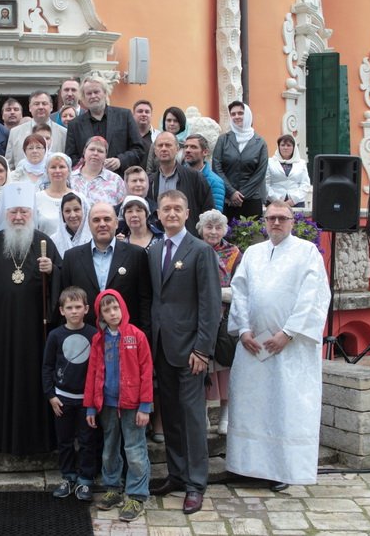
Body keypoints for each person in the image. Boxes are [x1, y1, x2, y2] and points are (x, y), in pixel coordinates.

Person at [226, 199, 330, 492]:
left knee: (286, 407)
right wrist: (243, 330)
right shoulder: (253, 253)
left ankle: (284, 468)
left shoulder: (306, 252)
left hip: (290, 349)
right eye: (271, 217)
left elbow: (313, 295)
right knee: (251, 406)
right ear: (264, 221)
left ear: (292, 222)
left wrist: (289, 332)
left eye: (282, 218)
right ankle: (247, 466)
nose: (276, 222)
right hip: (253, 346)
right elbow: (239, 291)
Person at [0, 181, 62, 455]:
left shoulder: (45, 244)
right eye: (13, 212)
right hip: (0, 333)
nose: (19, 217)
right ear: (5, 214)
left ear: (32, 213)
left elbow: (63, 285)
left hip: (36, 334)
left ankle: (36, 440)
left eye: (24, 211)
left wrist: (53, 271)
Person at [148, 189, 221, 515]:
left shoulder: (200, 250)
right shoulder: (154, 250)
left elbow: (210, 304)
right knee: (172, 417)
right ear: (159, 214)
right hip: (162, 348)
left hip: (191, 351)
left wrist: (203, 349)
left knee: (192, 419)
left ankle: (196, 483)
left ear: (187, 213)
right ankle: (176, 474)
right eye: (166, 209)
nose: (172, 214)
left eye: (178, 208)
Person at [85, 289, 153, 523]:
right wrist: (90, 406)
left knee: (135, 451)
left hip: (133, 405)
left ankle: (137, 495)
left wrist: (145, 405)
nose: (112, 313)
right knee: (109, 450)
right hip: (107, 404)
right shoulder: (98, 340)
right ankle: (113, 488)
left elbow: (146, 371)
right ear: (100, 315)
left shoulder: (137, 336)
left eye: (115, 307)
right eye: (107, 310)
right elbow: (92, 373)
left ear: (122, 308)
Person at [43, 286, 99, 502]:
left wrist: (94, 399)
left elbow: (99, 369)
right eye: (69, 307)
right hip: (62, 399)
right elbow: (47, 366)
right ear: (61, 310)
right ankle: (68, 476)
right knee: (65, 440)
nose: (74, 311)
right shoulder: (55, 336)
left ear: (86, 309)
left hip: (87, 401)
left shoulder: (94, 335)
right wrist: (51, 395)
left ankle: (85, 480)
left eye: (78, 307)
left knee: (87, 441)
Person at [59, 201, 151, 330]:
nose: (102, 224)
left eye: (107, 219)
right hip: (85, 334)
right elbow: (65, 298)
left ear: (116, 223)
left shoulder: (136, 255)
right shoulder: (71, 257)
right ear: (89, 224)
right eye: (96, 220)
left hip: (126, 334)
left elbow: (145, 300)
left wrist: (144, 334)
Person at [197, 209, 241, 434]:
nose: (213, 232)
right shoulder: (194, 249)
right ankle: (203, 413)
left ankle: (225, 415)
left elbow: (240, 288)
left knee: (226, 367)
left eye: (218, 227)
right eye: (209, 227)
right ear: (201, 229)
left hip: (226, 318)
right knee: (203, 368)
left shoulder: (235, 254)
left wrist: (214, 294)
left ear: (225, 230)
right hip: (199, 317)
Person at [64, 78, 145, 175]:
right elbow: (70, 157)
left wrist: (120, 160)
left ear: (105, 93)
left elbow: (139, 149)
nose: (93, 96)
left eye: (96, 92)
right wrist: (89, 164)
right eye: (89, 93)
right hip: (87, 180)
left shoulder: (124, 116)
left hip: (119, 177)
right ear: (83, 98)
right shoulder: (75, 125)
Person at [148, 132, 214, 238]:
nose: (164, 149)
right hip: (159, 239)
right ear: (155, 151)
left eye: (168, 145)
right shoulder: (150, 181)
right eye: (160, 145)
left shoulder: (194, 177)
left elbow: (208, 210)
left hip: (189, 239)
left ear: (178, 149)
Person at [213, 101, 268, 221]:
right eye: (233, 114)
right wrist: (231, 192)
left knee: (252, 232)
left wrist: (240, 196)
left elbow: (260, 173)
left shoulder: (260, 143)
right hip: (227, 200)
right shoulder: (223, 140)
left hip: (251, 200)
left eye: (240, 113)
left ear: (247, 115)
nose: (236, 116)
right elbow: (216, 167)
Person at [7, 90, 67, 167]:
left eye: (44, 103)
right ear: (30, 108)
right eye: (36, 104)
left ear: (51, 107)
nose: (40, 107)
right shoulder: (15, 133)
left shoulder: (63, 133)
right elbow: (9, 165)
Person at [70, 136, 126, 208]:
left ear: (106, 155)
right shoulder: (70, 178)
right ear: (84, 152)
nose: (95, 153)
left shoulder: (116, 180)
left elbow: (122, 208)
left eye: (100, 151)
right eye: (92, 149)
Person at [35, 153, 74, 238]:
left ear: (69, 170)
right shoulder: (37, 198)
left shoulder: (78, 197)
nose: (57, 171)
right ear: (47, 171)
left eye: (62, 167)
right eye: (53, 167)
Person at [266, 134, 311, 207]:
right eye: (282, 145)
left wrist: (293, 200)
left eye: (289, 145)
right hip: (274, 202)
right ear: (278, 147)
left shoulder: (301, 163)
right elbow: (265, 184)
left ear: (294, 147)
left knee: (297, 215)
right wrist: (275, 199)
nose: (285, 148)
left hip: (296, 202)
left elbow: (305, 184)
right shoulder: (269, 162)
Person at [183, 134, 225, 211]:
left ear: (205, 152)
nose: (187, 150)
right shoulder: (178, 175)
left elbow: (215, 214)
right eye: (186, 147)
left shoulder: (215, 182)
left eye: (193, 147)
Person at [49, 191, 91, 258]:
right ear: (62, 214)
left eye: (76, 209)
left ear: (84, 211)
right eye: (67, 211)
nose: (73, 215)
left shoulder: (94, 237)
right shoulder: (54, 240)